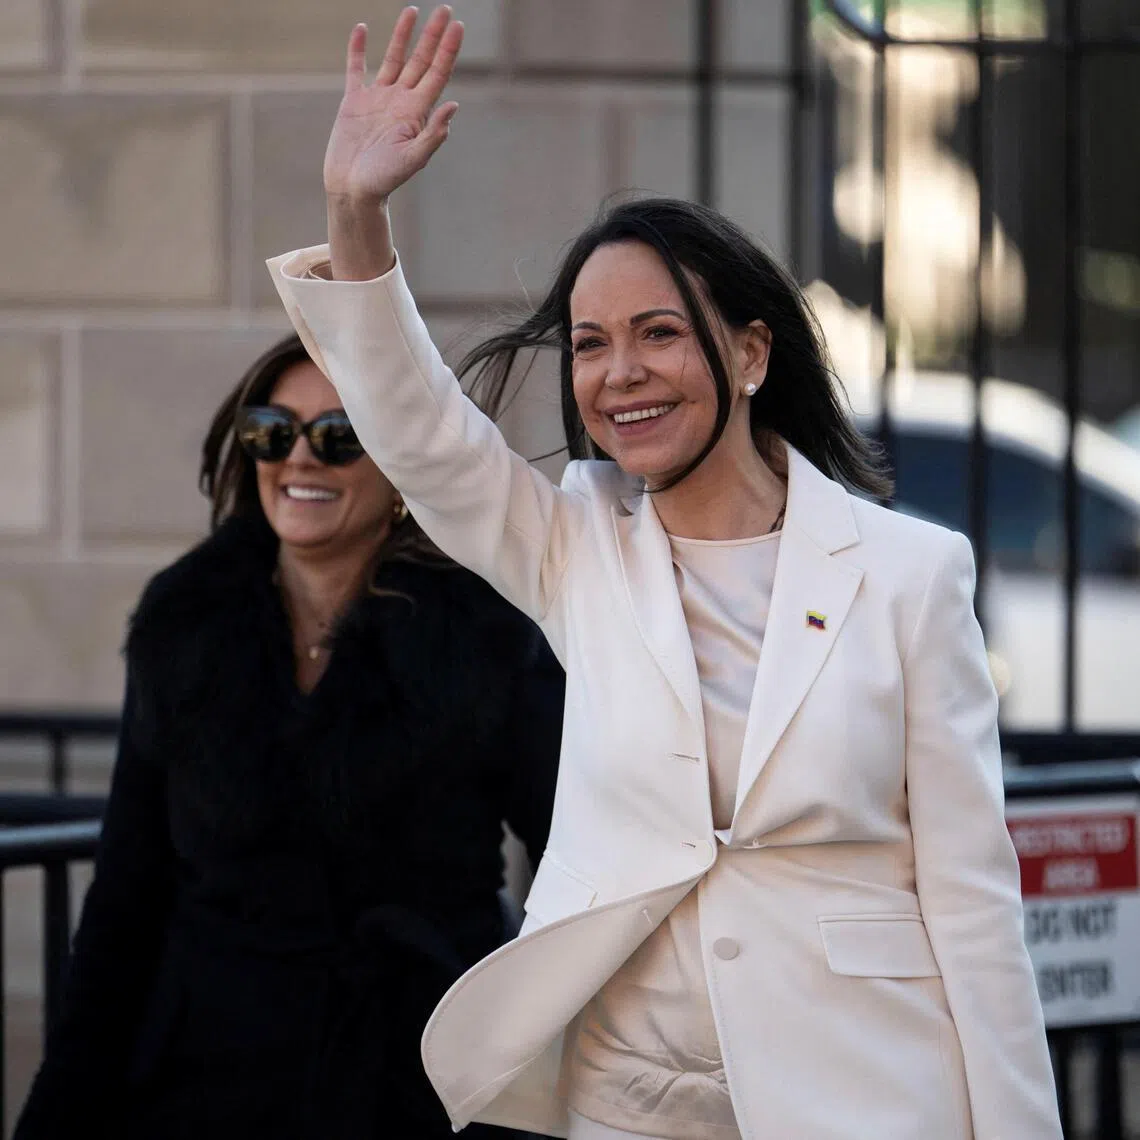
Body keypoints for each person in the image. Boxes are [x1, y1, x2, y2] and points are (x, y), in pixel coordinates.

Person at [266, 7, 1063, 1139]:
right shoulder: (576, 543)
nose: (619, 373)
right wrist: (357, 212)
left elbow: (975, 907)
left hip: (863, 1097)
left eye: (657, 334)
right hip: (626, 1101)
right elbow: (422, 435)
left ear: (747, 353)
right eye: (590, 343)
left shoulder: (912, 574)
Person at [13, 333, 563, 1140]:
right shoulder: (184, 625)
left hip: (419, 1085)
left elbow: (576, 862)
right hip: (204, 1081)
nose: (301, 459)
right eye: (274, 430)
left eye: (341, 437)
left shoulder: (487, 631)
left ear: (404, 467)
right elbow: (126, 899)